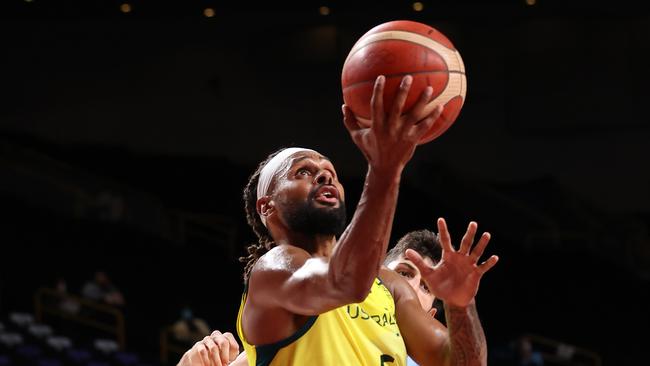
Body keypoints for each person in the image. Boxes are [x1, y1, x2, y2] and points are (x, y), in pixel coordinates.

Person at [184, 74, 498, 365]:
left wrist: (460, 305)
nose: (323, 174)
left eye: (332, 172)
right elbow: (345, 282)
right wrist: (385, 169)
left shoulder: (389, 285)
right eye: (303, 171)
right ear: (268, 206)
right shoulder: (272, 272)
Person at [178, 227, 445, 366]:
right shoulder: (324, 314)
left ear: (431, 315)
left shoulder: (440, 357)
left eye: (425, 288)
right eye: (404, 273)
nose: (409, 287)